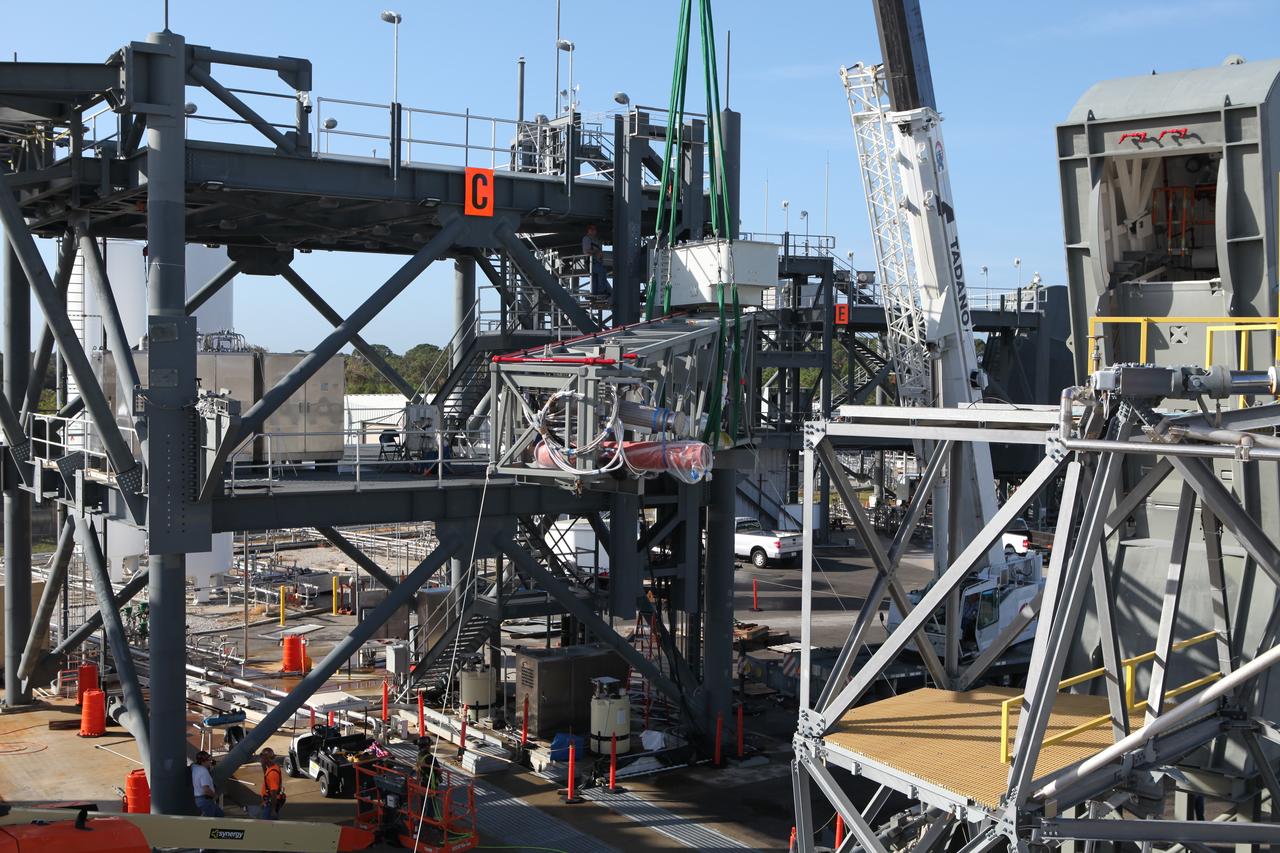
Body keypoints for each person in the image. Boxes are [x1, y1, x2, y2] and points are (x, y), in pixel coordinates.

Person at [191, 751, 224, 818]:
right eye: (209, 760)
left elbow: (193, 764)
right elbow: (206, 790)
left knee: (220, 814)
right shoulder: (204, 772)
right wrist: (215, 796)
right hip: (205, 801)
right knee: (210, 821)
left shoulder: (194, 767)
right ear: (203, 762)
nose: (210, 762)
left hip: (199, 800)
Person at [582, 224, 612, 298]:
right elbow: (587, 251)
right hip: (591, 262)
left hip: (597, 261)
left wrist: (599, 254)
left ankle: (595, 293)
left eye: (594, 229)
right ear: (588, 230)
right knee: (602, 271)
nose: (593, 231)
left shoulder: (596, 240)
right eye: (591, 229)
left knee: (595, 277)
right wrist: (596, 252)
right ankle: (601, 291)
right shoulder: (586, 239)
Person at [258, 748, 285, 819]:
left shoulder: (272, 773)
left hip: (270, 805)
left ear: (266, 759)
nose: (260, 760)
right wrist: (263, 765)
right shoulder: (273, 767)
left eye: (262, 758)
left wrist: (272, 811)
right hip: (268, 802)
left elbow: (273, 794)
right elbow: (266, 777)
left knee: (266, 826)